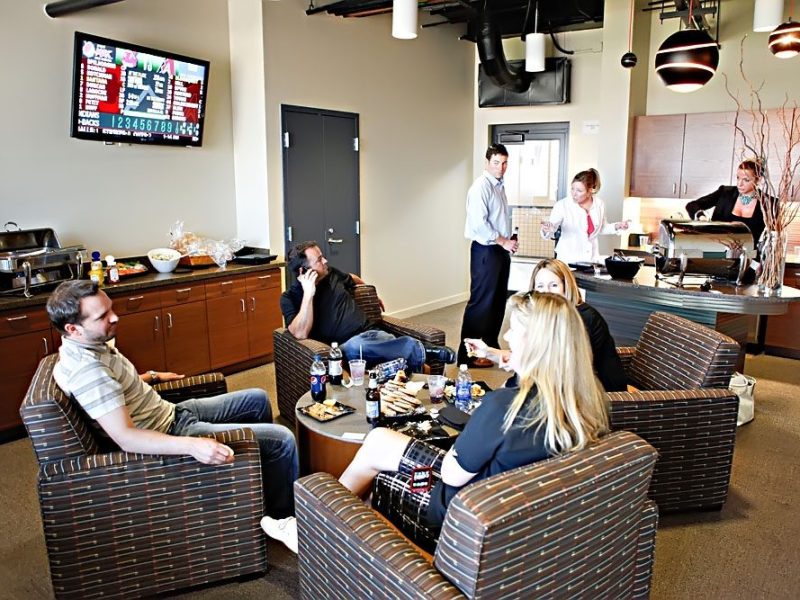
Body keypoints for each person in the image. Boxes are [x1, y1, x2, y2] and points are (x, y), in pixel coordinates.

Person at [261, 292, 610, 553]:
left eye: (514, 332)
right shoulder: (584, 400)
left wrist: (439, 450)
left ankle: (307, 530)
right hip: (513, 511)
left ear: (537, 344)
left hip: (460, 512)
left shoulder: (504, 406)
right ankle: (345, 539)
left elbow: (454, 474)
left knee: (379, 448)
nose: (505, 340)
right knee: (384, 444)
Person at [46, 280, 298, 518]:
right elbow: (126, 438)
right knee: (283, 440)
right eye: (102, 316)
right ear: (73, 329)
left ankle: (256, 484)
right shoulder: (88, 372)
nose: (115, 317)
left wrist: (152, 376)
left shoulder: (88, 345)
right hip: (173, 431)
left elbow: (114, 390)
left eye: (110, 308)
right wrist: (192, 445)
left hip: (170, 411)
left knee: (257, 398)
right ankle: (282, 516)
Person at [280, 242, 455, 371]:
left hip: (373, 333)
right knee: (357, 346)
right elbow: (300, 333)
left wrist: (371, 293)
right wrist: (309, 294)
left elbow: (352, 278)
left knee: (381, 350)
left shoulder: (331, 274)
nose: (325, 260)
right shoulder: (290, 298)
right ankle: (425, 352)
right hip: (346, 348)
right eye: (319, 260)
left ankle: (416, 372)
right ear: (304, 271)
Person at [465, 258, 627, 392]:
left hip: (592, 394)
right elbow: (534, 354)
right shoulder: (543, 316)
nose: (546, 292)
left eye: (554, 285)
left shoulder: (581, 318)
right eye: (540, 286)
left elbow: (550, 365)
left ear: (566, 286)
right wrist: (488, 352)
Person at [458, 143, 519, 367]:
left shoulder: (499, 186)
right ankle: (469, 355)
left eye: (504, 163)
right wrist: (503, 241)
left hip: (499, 250)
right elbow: (479, 225)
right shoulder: (480, 187)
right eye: (496, 162)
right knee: (481, 303)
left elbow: (497, 220)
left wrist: (508, 240)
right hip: (485, 251)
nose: (501, 167)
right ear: (487, 162)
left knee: (496, 302)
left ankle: (488, 347)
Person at [541, 168, 629, 265]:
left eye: (579, 190)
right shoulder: (562, 205)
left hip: (591, 260)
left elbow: (601, 228)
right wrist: (547, 229)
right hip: (568, 261)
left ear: (590, 191)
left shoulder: (599, 204)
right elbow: (552, 227)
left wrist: (617, 226)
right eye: (572, 188)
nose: (574, 193)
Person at [684, 159, 768, 246]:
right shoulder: (725, 193)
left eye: (746, 180)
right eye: (738, 178)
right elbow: (691, 205)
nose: (739, 184)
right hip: (715, 250)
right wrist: (701, 217)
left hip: (748, 256)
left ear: (758, 180)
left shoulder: (768, 203)